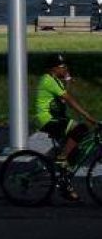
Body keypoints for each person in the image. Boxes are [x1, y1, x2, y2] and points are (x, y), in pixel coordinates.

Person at [37, 55, 95, 188]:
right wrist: (88, 116)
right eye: (63, 67)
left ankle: (64, 183)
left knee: (74, 153)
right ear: (53, 68)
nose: (66, 69)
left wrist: (67, 80)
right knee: (81, 129)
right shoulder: (48, 81)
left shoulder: (55, 80)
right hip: (47, 119)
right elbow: (69, 99)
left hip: (56, 118)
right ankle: (61, 158)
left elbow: (63, 98)